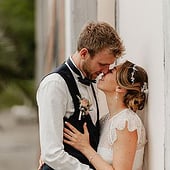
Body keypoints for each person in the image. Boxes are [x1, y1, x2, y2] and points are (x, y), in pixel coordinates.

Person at [36, 21, 125, 170]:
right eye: (102, 64)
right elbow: (52, 153)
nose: (105, 71)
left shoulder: (91, 79)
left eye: (109, 65)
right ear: (84, 53)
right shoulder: (55, 85)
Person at [63, 60, 148, 170]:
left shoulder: (126, 123)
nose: (105, 72)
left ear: (120, 88)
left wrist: (85, 148)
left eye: (111, 71)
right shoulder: (106, 120)